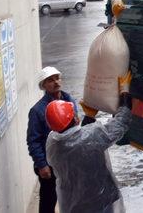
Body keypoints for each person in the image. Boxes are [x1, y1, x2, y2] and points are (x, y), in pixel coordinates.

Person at [45, 72, 133, 213]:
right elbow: (121, 122)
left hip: (72, 205)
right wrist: (124, 91)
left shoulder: (52, 143)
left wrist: (89, 117)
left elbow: (79, 142)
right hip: (101, 201)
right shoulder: (91, 137)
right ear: (74, 119)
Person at [26, 67, 77, 213]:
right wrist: (42, 165)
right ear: (43, 85)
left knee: (71, 198)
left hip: (68, 162)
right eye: (50, 80)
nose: (55, 82)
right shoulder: (37, 111)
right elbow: (33, 140)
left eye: (57, 78)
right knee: (49, 201)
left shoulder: (69, 101)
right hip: (49, 165)